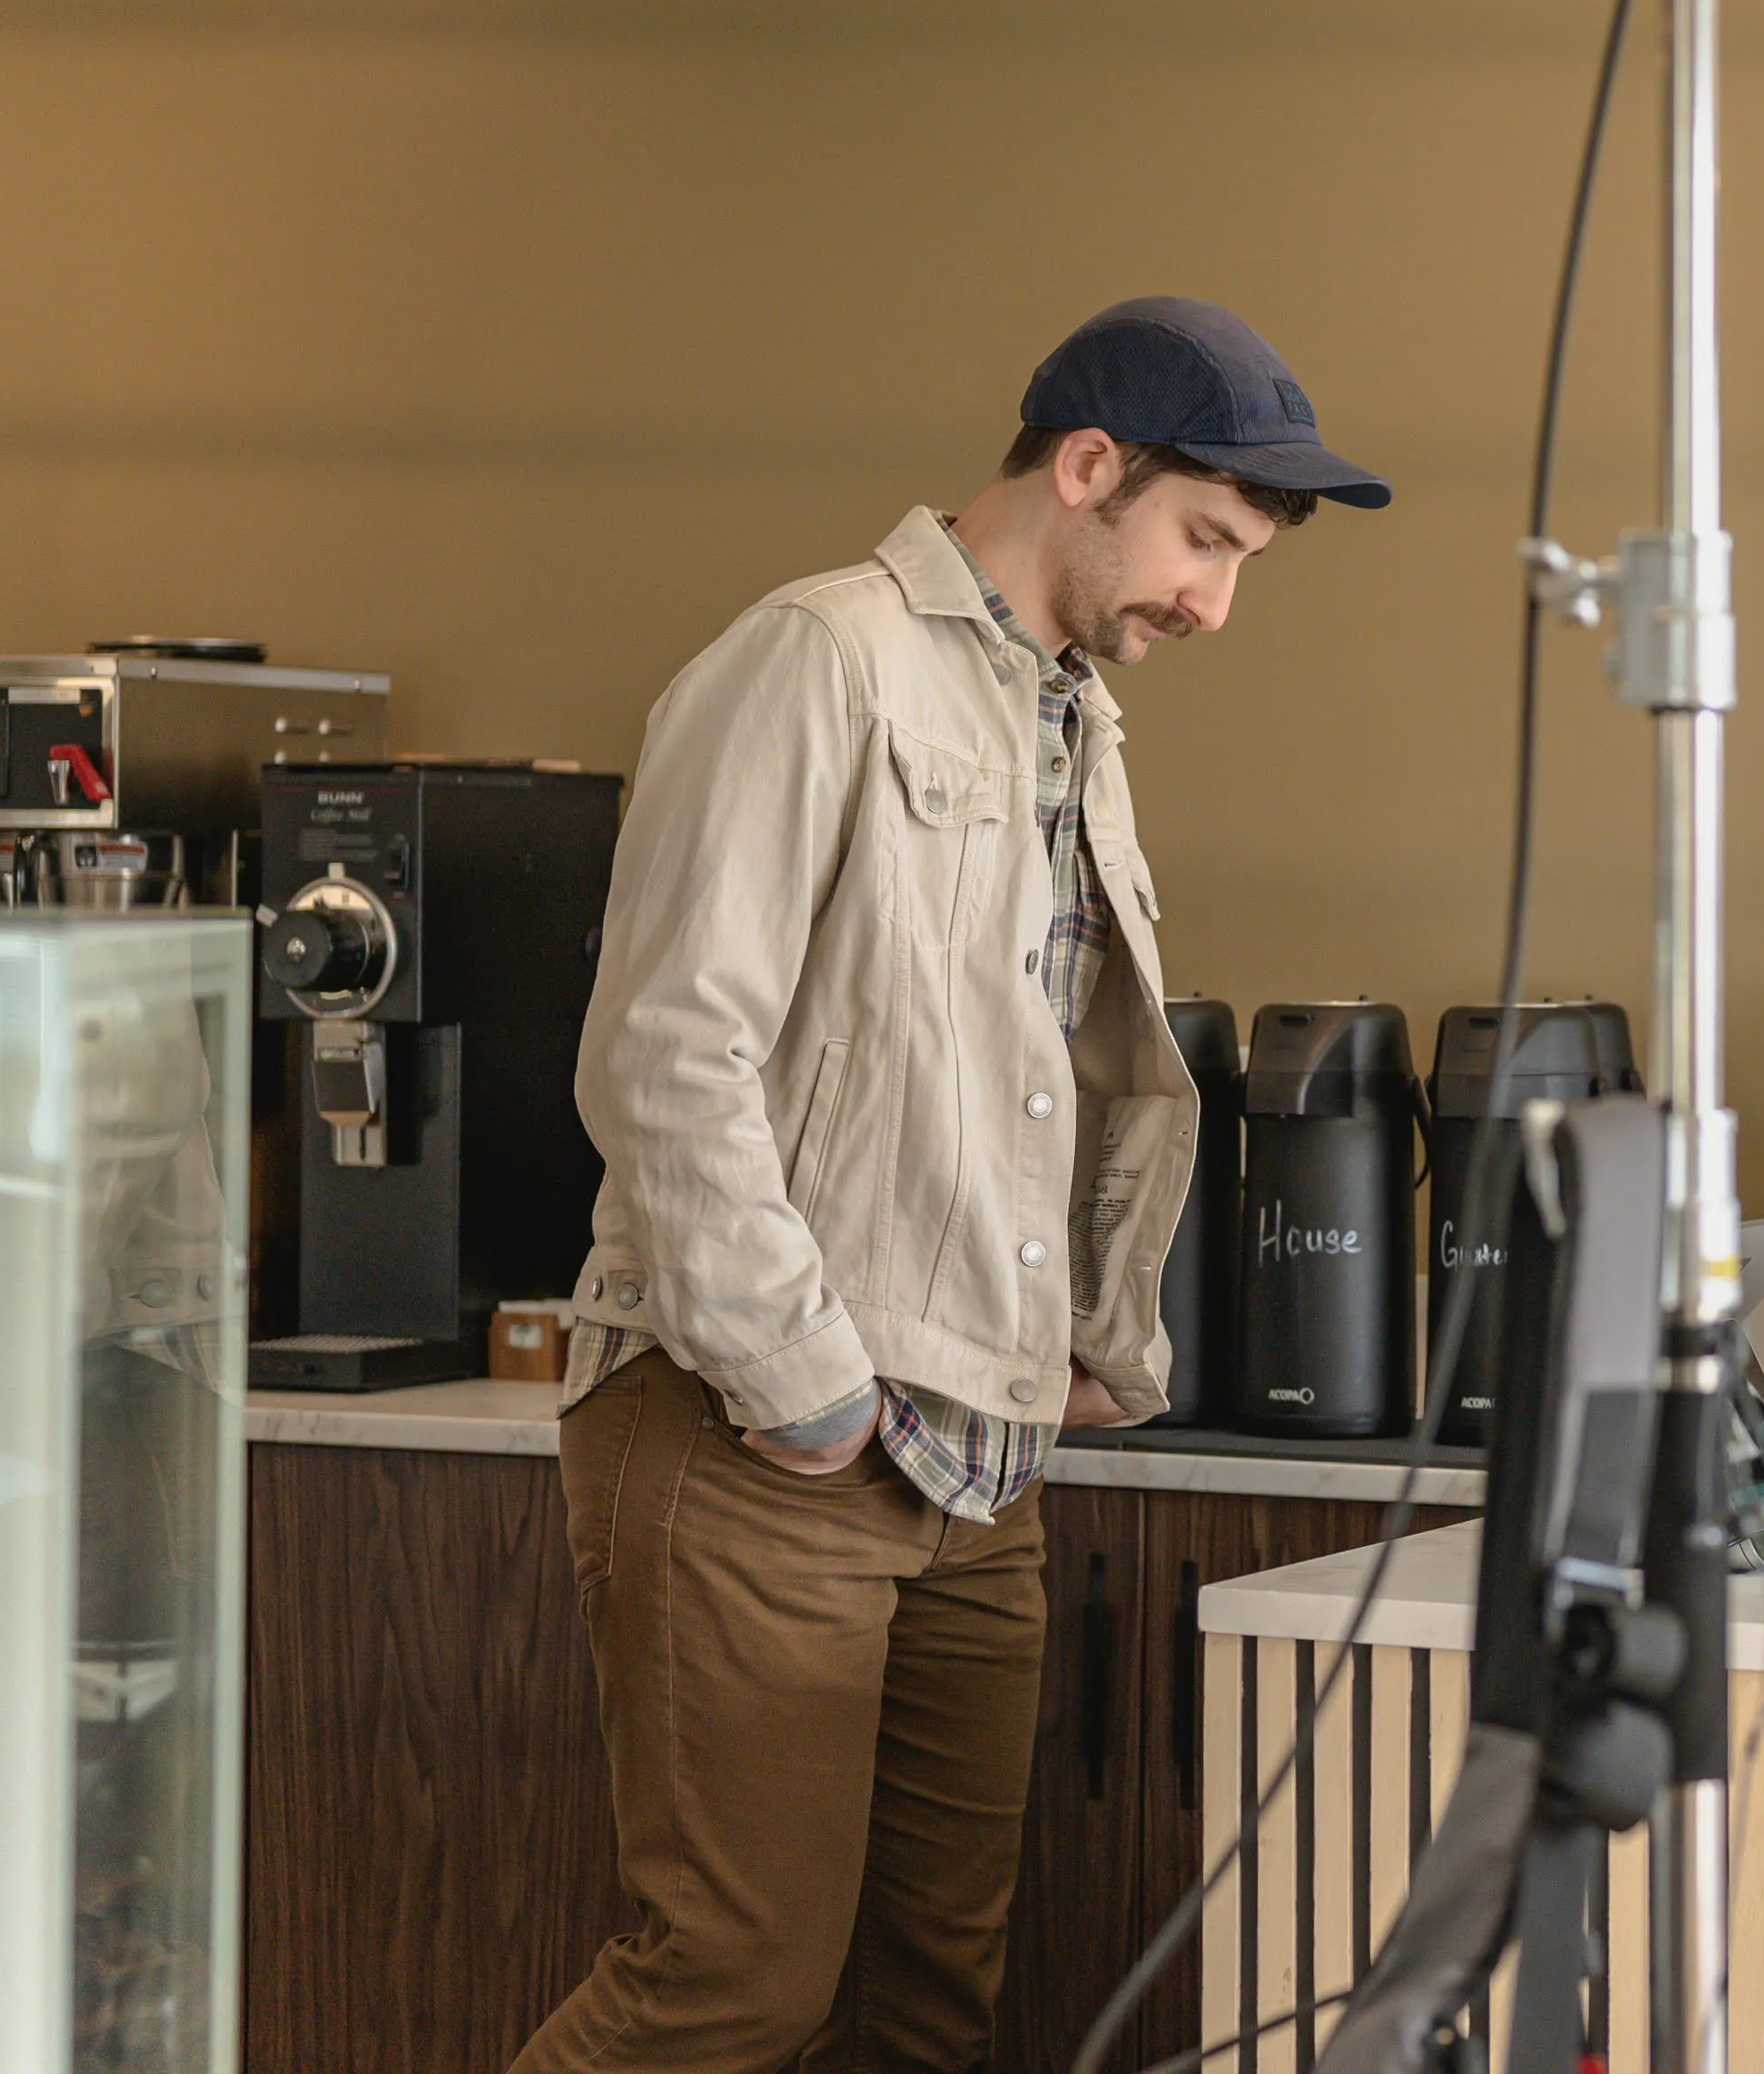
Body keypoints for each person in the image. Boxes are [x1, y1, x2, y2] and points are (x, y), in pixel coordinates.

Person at [516, 297, 1390, 2074]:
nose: (1212, 600)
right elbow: (666, 1052)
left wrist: (1080, 1340)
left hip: (974, 1464)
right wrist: (808, 1385)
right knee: (728, 1986)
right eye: (1203, 540)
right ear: (1087, 467)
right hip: (756, 1436)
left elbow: (1051, 1075)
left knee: (933, 2002)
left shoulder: (1067, 717)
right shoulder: (816, 659)